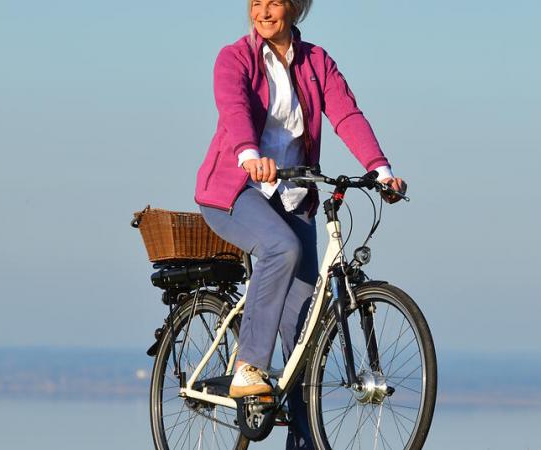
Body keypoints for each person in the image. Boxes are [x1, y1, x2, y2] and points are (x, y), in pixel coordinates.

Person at [195, 0, 406, 447]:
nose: (263, 11)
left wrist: (380, 169)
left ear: (294, 8)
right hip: (236, 192)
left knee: (306, 330)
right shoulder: (234, 58)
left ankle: (305, 444)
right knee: (282, 249)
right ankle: (248, 365)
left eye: (273, 2)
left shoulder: (316, 61)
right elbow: (234, 109)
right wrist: (250, 155)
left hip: (293, 196)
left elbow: (346, 114)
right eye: (255, 3)